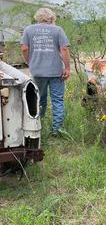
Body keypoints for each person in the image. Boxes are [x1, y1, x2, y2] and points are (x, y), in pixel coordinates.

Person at [21, 7, 70, 135]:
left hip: (38, 71)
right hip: (56, 71)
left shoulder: (29, 30)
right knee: (57, 100)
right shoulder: (58, 30)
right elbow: (64, 49)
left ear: (37, 17)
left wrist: (29, 61)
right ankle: (56, 130)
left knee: (39, 99)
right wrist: (68, 68)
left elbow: (25, 48)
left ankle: (38, 126)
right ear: (52, 18)